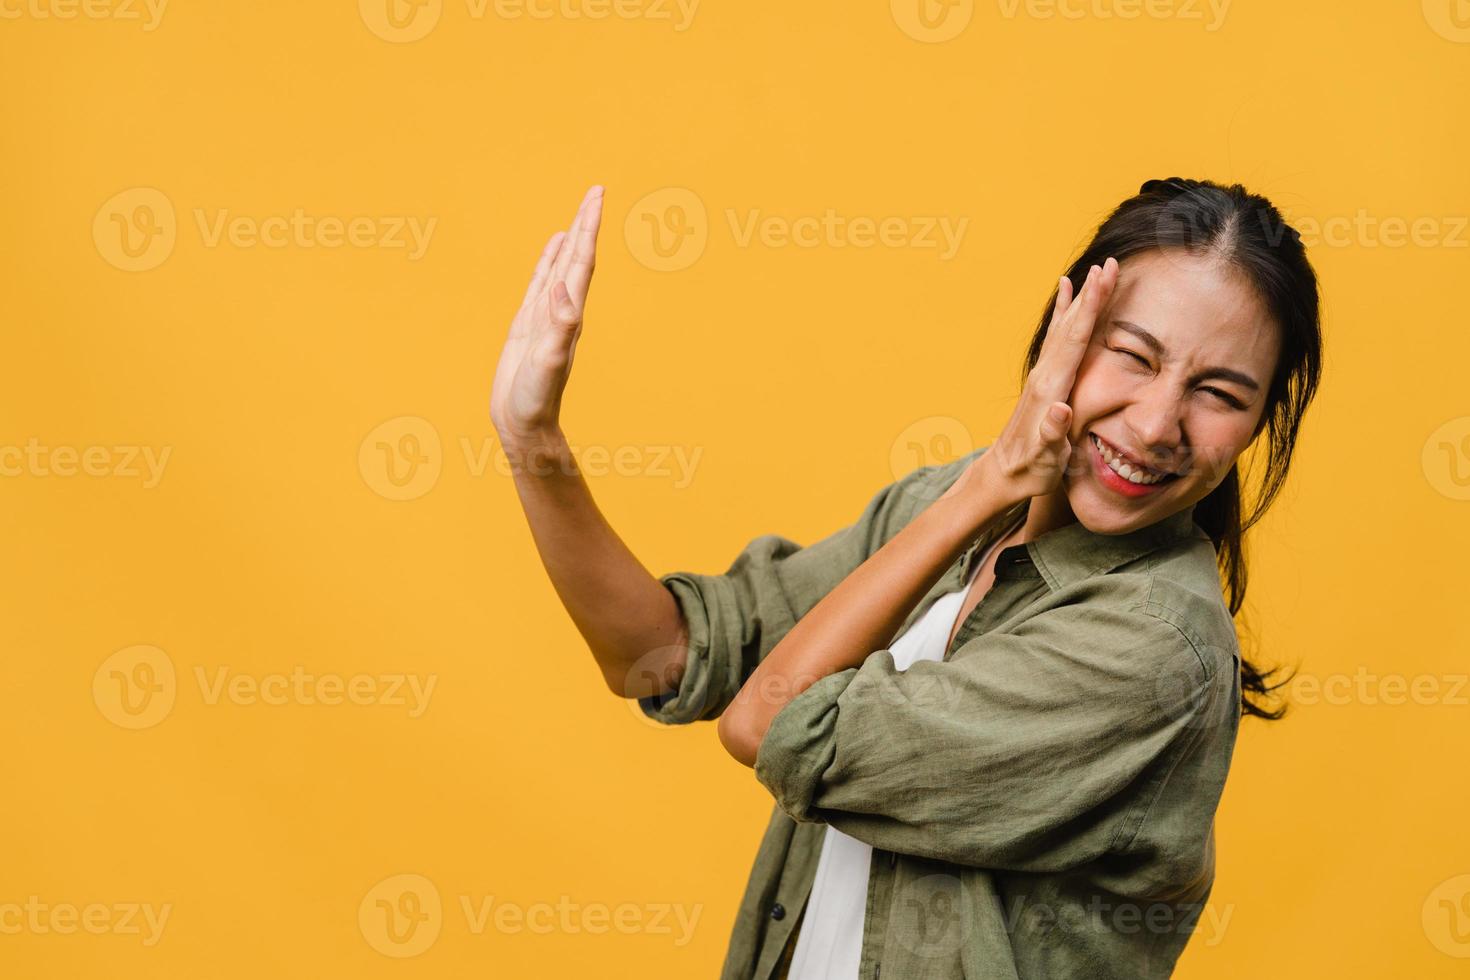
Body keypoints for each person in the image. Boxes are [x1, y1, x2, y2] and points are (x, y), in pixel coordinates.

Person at [491, 177, 1322, 979]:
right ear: (1065, 325)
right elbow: (665, 653)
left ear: (1258, 425)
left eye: (1218, 395)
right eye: (1134, 356)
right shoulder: (952, 509)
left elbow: (771, 725)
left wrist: (989, 483)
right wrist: (532, 438)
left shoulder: (1148, 651)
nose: (1155, 424)